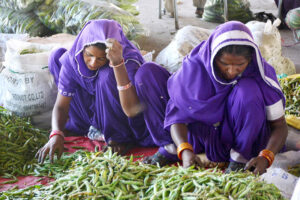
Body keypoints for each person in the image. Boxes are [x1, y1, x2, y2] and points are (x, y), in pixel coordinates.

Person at [144, 21, 288, 175]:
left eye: (240, 64)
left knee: (248, 90)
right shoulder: (195, 69)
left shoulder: (259, 74)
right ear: (213, 56)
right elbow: (177, 117)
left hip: (241, 139)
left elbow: (279, 125)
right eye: (224, 63)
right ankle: (173, 149)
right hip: (201, 139)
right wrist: (184, 149)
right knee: (147, 73)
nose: (231, 71)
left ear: (250, 59)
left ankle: (239, 158)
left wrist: (266, 156)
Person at [36, 19, 159, 163]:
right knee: (58, 56)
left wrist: (117, 64)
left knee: (106, 75)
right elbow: (61, 105)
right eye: (89, 55)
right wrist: (56, 133)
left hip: (121, 116)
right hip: (92, 113)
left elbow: (132, 110)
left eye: (101, 58)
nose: (93, 62)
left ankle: (118, 138)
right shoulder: (75, 58)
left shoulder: (128, 61)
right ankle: (84, 126)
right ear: (82, 48)